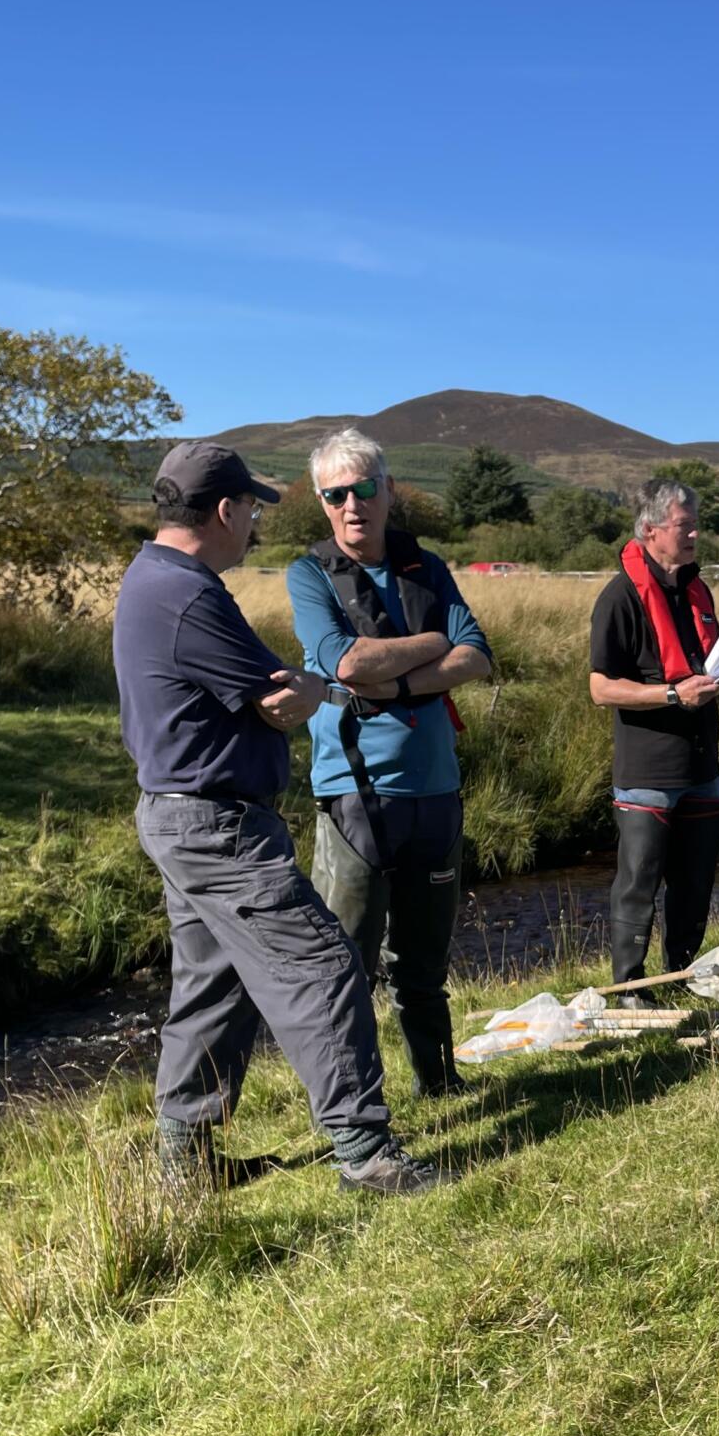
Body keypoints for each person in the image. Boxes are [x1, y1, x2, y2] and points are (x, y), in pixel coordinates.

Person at [112, 442, 431, 1195]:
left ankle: (184, 1167)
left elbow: (268, 687)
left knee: (211, 986)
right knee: (321, 965)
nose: (254, 523)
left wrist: (297, 687)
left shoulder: (150, 577)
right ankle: (365, 1155)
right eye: (250, 508)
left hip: (179, 816)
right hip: (217, 827)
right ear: (224, 511)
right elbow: (277, 694)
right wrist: (319, 689)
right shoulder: (189, 593)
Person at [285, 428, 493, 1097]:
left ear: (389, 490)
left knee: (424, 962)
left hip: (435, 789)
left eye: (365, 488)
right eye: (336, 493)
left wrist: (397, 679)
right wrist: (434, 649)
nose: (353, 504)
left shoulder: (426, 566)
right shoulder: (308, 573)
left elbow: (477, 655)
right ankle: (352, 1110)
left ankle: (439, 1084)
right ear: (323, 502)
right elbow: (344, 663)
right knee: (344, 963)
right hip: (356, 793)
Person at [587, 478, 719, 988]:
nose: (696, 532)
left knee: (694, 883)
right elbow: (601, 688)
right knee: (638, 883)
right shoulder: (619, 597)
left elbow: (704, 664)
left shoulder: (698, 588)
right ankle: (630, 987)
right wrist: (673, 696)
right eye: (684, 524)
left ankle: (682, 976)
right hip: (648, 770)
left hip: (702, 765)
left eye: (697, 523)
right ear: (650, 530)